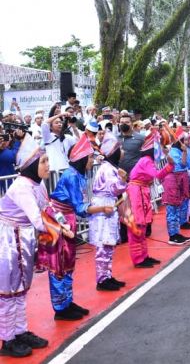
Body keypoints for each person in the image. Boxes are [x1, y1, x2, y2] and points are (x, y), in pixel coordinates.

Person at [38, 134, 110, 321]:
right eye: (90, 157)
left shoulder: (77, 174)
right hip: (58, 221)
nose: (92, 161)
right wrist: (102, 208)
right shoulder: (71, 176)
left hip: (67, 219)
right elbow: (80, 208)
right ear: (82, 159)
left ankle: (67, 302)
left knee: (68, 263)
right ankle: (60, 308)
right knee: (58, 265)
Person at [0, 135, 60, 357]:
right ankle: (7, 340)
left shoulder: (37, 184)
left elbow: (49, 208)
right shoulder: (22, 187)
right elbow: (38, 219)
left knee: (21, 290)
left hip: (23, 238)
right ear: (32, 165)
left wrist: (61, 223)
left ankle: (20, 331)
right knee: (8, 292)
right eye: (43, 161)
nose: (48, 166)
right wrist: (60, 230)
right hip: (7, 240)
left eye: (46, 161)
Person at [127, 130, 174, 268]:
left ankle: (143, 256)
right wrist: (169, 165)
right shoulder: (146, 161)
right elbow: (157, 175)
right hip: (137, 192)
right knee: (137, 225)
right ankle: (138, 259)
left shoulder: (147, 160)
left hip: (142, 191)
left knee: (142, 226)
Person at [87, 131, 128, 291]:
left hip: (108, 206)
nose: (122, 152)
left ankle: (107, 275)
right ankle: (102, 280)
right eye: (120, 149)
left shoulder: (110, 167)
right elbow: (115, 188)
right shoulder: (107, 169)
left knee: (109, 244)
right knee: (103, 245)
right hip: (104, 207)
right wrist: (123, 180)